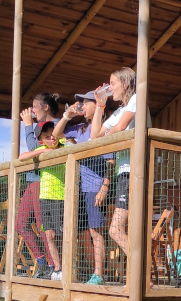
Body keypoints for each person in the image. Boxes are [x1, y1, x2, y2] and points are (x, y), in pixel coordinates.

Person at [89, 67, 149, 257]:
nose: (109, 87)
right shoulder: (121, 109)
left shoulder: (137, 98)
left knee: (115, 230)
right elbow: (94, 136)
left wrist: (106, 136)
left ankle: (142, 273)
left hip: (135, 171)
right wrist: (100, 106)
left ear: (125, 83)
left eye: (112, 83)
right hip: (124, 174)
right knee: (119, 230)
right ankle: (141, 276)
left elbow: (121, 127)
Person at [55, 91, 109, 284]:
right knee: (81, 231)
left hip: (96, 188)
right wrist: (67, 115)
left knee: (96, 232)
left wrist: (105, 187)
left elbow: (110, 161)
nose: (82, 107)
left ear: (97, 104)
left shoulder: (105, 128)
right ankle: (85, 271)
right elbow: (56, 134)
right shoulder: (79, 128)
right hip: (79, 188)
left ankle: (99, 274)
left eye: (86, 103)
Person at [17, 93, 60, 277]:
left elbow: (35, 150)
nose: (32, 111)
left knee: (45, 227)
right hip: (32, 181)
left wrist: (27, 125)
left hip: (46, 182)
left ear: (45, 107)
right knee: (20, 224)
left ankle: (52, 266)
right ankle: (41, 261)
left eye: (34, 107)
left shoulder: (56, 127)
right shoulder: (38, 128)